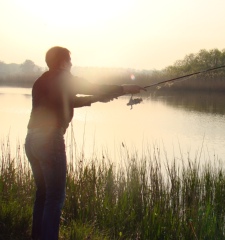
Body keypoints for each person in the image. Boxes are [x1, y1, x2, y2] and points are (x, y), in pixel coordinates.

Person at [25, 46, 145, 240]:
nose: (72, 64)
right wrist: (124, 88)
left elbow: (69, 100)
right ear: (63, 62)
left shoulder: (41, 81)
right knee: (55, 198)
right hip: (49, 140)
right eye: (70, 61)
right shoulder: (64, 78)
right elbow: (92, 86)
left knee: (43, 194)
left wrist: (97, 98)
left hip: (31, 140)